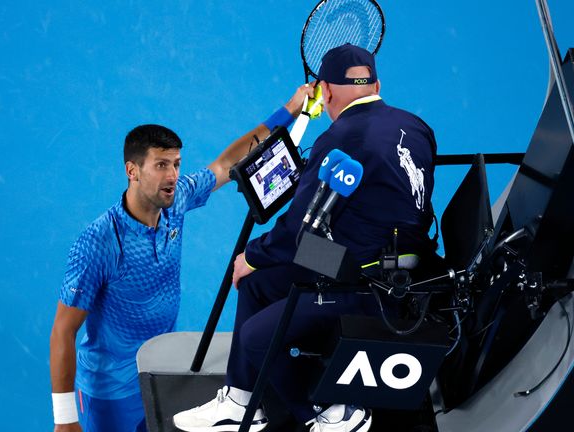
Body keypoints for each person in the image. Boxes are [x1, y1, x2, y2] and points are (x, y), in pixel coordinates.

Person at [173, 43, 438, 432]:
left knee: (255, 334)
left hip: (363, 276)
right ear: (376, 83)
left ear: (326, 92)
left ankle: (333, 411)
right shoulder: (417, 126)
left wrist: (253, 254)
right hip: (397, 262)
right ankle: (240, 400)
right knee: (259, 285)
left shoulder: (339, 138)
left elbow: (298, 231)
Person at [49, 85, 314, 432]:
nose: (173, 176)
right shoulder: (99, 242)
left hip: (158, 368)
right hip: (110, 392)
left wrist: (291, 109)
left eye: (176, 164)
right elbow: (63, 330)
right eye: (161, 165)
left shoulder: (176, 202)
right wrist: (65, 418)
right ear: (132, 171)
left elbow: (226, 162)